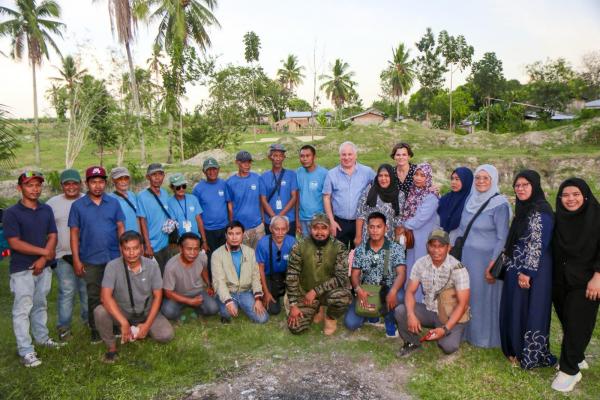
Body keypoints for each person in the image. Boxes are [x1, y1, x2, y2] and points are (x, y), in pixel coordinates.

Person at [3, 171, 62, 367]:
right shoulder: (12, 213)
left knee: (40, 304)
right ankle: (26, 351)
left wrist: (43, 258)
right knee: (22, 309)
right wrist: (44, 253)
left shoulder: (46, 210)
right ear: (20, 188)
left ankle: (42, 339)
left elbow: (52, 234)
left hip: (43, 268)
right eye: (29, 185)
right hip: (22, 269)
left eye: (38, 185)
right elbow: (15, 243)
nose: (35, 189)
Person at [499, 170, 556, 369]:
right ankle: (515, 349)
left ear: (535, 186)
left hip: (533, 272)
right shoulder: (523, 209)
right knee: (516, 309)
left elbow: (537, 244)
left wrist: (527, 272)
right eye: (517, 185)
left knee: (530, 310)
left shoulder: (541, 210)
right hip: (517, 268)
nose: (520, 189)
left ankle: (529, 354)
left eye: (525, 185)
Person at [551, 178, 600, 392]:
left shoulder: (597, 216)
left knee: (578, 322)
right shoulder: (559, 217)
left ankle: (570, 370)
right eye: (566, 195)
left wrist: (598, 276)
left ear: (585, 195)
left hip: (588, 280)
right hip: (561, 279)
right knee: (568, 320)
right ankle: (577, 356)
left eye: (576, 194)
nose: (570, 199)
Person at [95, 231, 174, 364]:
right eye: (127, 249)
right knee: (99, 311)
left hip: (146, 312)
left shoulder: (152, 266)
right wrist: (123, 322)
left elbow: (158, 296)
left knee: (166, 335)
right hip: (123, 312)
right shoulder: (112, 266)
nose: (132, 253)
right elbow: (105, 297)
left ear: (142, 248)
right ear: (121, 249)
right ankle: (112, 348)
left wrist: (147, 324)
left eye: (135, 248)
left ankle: (140, 330)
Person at [455, 164, 510, 348]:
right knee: (467, 295)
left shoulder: (500, 203)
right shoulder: (470, 200)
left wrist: (492, 264)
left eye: (486, 178)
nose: (481, 182)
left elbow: (503, 236)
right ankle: (466, 332)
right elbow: (462, 229)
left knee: (483, 298)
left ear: (493, 180)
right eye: (478, 177)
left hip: (487, 260)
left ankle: (484, 338)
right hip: (468, 258)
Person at [69, 166, 125, 343]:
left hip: (113, 257)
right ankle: (95, 329)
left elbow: (120, 227)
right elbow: (74, 234)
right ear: (87, 184)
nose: (98, 186)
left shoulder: (114, 203)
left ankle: (116, 325)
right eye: (94, 182)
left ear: (105, 183)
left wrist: (124, 253)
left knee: (115, 293)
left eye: (101, 182)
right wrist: (77, 260)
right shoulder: (78, 206)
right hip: (91, 258)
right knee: (94, 296)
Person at [395, 229, 470, 356]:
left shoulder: (458, 268)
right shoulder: (420, 264)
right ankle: (412, 342)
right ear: (427, 246)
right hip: (429, 310)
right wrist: (411, 315)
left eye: (441, 246)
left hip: (449, 315)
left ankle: (453, 330)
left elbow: (463, 304)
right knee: (401, 311)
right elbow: (409, 292)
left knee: (448, 346)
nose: (436, 250)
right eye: (433, 246)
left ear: (448, 248)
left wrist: (444, 329)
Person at [286, 213, 352, 335]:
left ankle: (330, 318)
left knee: (343, 297)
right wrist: (293, 304)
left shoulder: (339, 247)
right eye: (316, 228)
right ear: (310, 229)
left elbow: (341, 277)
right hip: (306, 294)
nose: (320, 232)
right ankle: (317, 308)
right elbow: (292, 275)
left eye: (324, 228)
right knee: (296, 328)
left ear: (330, 229)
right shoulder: (299, 246)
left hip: (329, 292)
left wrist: (316, 291)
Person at [345, 212, 406, 337]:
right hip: (368, 291)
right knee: (350, 323)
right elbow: (355, 275)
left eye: (379, 227)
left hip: (388, 289)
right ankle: (373, 315)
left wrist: (393, 291)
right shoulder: (361, 249)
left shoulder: (396, 248)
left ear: (386, 228)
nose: (375, 230)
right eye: (371, 227)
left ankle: (390, 319)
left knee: (399, 296)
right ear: (367, 228)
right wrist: (358, 289)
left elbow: (401, 274)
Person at [46, 169, 87, 341]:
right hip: (62, 255)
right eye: (67, 183)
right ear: (61, 185)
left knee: (86, 289)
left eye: (74, 183)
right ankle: (64, 326)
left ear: (80, 184)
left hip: (85, 254)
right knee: (67, 290)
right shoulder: (51, 204)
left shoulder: (87, 200)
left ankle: (89, 320)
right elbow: (45, 230)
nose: (71, 187)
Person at [211, 221, 268, 324]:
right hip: (228, 291)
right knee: (227, 314)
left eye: (238, 234)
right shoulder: (216, 254)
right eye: (230, 234)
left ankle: (241, 303)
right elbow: (219, 281)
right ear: (226, 235)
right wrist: (228, 302)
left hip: (245, 291)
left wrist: (258, 299)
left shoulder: (250, 252)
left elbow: (255, 277)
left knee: (262, 319)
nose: (234, 237)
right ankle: (224, 302)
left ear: (243, 235)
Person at [398, 163, 440, 301]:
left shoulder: (431, 196)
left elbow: (420, 218)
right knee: (412, 268)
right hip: (413, 238)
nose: (418, 178)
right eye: (416, 174)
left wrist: (403, 225)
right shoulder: (413, 192)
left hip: (424, 239)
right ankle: (410, 300)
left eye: (422, 175)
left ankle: (421, 303)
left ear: (428, 177)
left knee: (422, 269)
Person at [323, 141, 375, 249]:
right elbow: (326, 197)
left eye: (350, 154)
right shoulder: (331, 174)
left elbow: (380, 185)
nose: (347, 157)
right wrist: (331, 221)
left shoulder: (367, 172)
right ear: (340, 156)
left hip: (360, 223)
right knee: (338, 256)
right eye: (344, 154)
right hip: (339, 223)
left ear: (356, 155)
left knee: (359, 256)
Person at [161, 232, 219, 320]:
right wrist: (189, 301)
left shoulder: (202, 257)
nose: (193, 253)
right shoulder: (171, 266)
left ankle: (196, 308)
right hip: (178, 295)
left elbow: (203, 269)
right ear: (180, 248)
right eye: (189, 249)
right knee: (168, 311)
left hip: (198, 292)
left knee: (213, 308)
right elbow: (168, 292)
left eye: (196, 249)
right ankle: (188, 307)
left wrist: (208, 284)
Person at [192, 157, 230, 270]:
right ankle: (212, 284)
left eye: (214, 169)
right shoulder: (198, 189)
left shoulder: (224, 184)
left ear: (218, 169)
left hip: (223, 228)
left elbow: (229, 205)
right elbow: (196, 213)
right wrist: (202, 237)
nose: (212, 172)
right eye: (208, 170)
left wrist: (230, 225)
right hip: (208, 230)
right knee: (211, 258)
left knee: (225, 257)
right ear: (204, 171)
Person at [355, 164, 405, 246]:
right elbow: (360, 214)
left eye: (386, 176)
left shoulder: (399, 195)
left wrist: (397, 240)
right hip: (368, 237)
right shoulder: (369, 191)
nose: (383, 179)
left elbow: (398, 219)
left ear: (392, 177)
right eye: (380, 176)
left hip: (388, 237)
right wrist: (358, 237)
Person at [255, 216, 296, 315]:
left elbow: (297, 267)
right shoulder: (262, 243)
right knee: (273, 310)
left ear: (288, 229)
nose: (280, 233)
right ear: (270, 228)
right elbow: (260, 270)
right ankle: (266, 294)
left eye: (283, 229)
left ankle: (286, 294)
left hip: (287, 275)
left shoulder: (293, 242)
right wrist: (266, 292)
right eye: (277, 229)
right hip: (269, 276)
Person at [137, 163, 172, 273]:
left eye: (160, 174)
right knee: (154, 278)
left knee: (167, 274)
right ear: (148, 177)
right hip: (152, 245)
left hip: (165, 243)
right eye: (154, 175)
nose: (157, 178)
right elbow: (142, 221)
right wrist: (147, 245)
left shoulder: (165, 193)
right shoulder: (142, 196)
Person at [227, 151, 264, 249]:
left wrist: (263, 220)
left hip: (257, 227)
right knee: (243, 258)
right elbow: (229, 205)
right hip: (240, 228)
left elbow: (262, 200)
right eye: (244, 162)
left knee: (258, 258)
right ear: (237, 162)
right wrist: (232, 225)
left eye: (249, 162)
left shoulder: (257, 178)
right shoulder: (230, 182)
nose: (247, 165)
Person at [260, 144, 298, 234]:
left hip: (288, 219)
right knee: (271, 246)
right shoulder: (264, 177)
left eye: (280, 156)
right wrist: (274, 217)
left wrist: (279, 216)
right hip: (270, 220)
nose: (278, 158)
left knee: (289, 245)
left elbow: (294, 197)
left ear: (284, 157)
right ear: (270, 157)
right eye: (275, 155)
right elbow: (263, 199)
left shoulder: (291, 175)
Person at [167, 173, 209, 252]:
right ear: (172, 188)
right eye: (178, 187)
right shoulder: (169, 203)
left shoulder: (193, 199)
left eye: (184, 186)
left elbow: (199, 220)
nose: (181, 189)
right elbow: (172, 224)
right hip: (181, 242)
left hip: (196, 239)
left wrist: (204, 241)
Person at [295, 144, 328, 237]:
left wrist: (329, 219)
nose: (304, 159)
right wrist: (297, 220)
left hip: (319, 220)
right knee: (307, 248)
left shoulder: (324, 174)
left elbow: (328, 198)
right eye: (302, 156)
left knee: (320, 248)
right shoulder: (297, 173)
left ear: (314, 157)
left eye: (307, 156)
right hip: (303, 219)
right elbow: (296, 197)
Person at [436, 167, 473, 243]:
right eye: (452, 179)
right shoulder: (446, 199)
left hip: (462, 244)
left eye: (457, 179)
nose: (453, 182)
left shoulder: (472, 202)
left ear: (466, 180)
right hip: (442, 241)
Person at [109, 166, 140, 233]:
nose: (124, 182)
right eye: (120, 179)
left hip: (136, 238)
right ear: (113, 180)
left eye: (126, 178)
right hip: (123, 240)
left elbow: (137, 217)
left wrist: (141, 237)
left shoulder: (132, 195)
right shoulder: (110, 199)